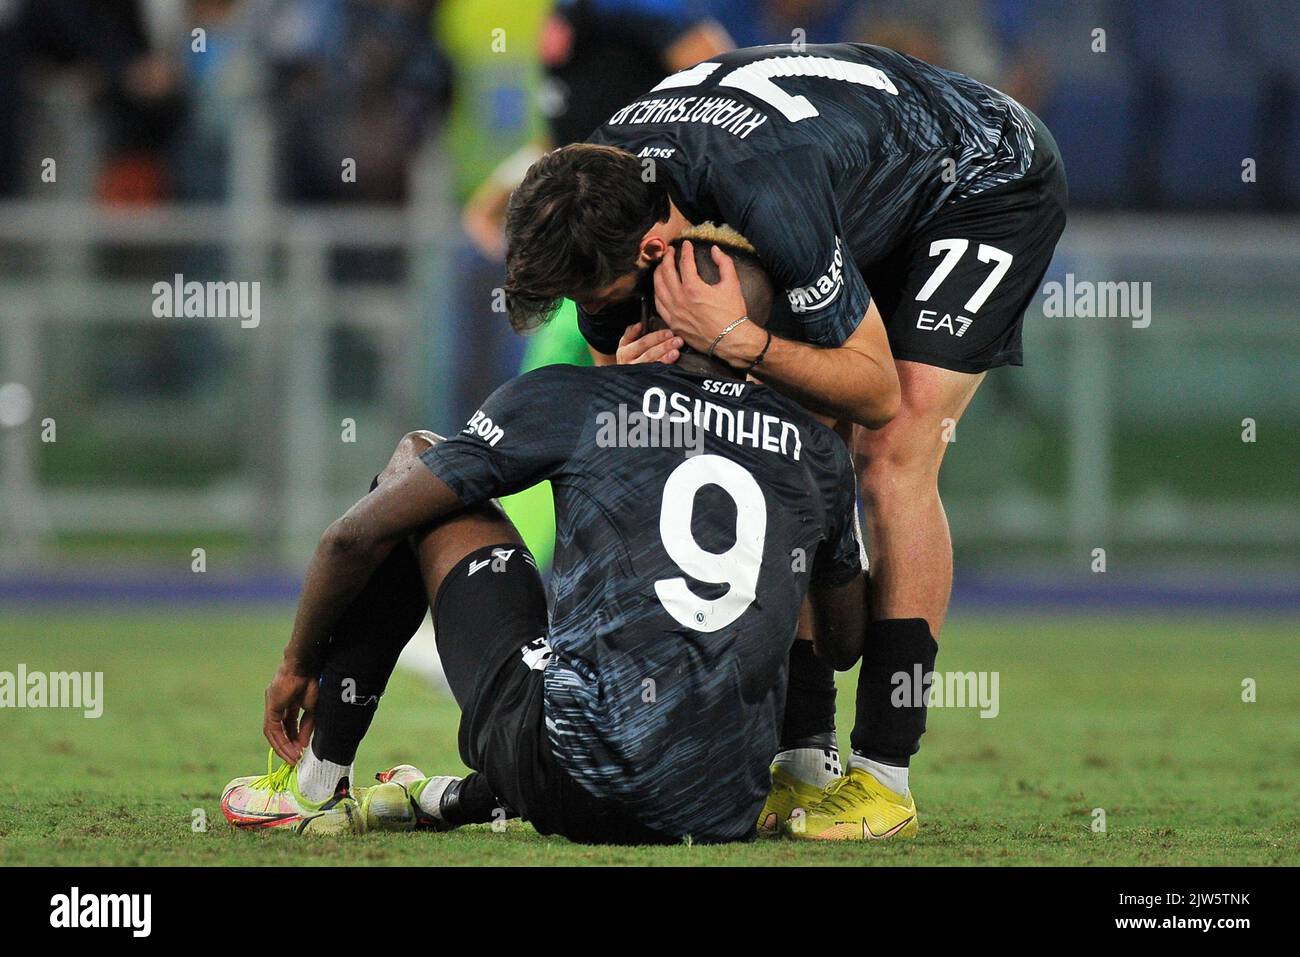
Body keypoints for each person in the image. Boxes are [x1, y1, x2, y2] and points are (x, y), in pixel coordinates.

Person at [502, 41, 1068, 839]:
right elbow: (628, 402)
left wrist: (740, 339)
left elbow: (872, 391)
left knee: (892, 453)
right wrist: (634, 373)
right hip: (853, 184)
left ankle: (884, 776)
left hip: (979, 176)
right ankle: (805, 761)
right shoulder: (600, 189)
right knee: (769, 438)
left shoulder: (763, 189)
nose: (591, 310)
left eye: (595, 297)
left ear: (651, 252)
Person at [221, 232, 880, 844]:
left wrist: (297, 664)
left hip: (568, 775)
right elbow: (846, 643)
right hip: (723, 807)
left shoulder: (579, 398)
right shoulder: (815, 452)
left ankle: (314, 783)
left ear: (642, 315)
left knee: (418, 460)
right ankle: (453, 799)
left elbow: (349, 541)